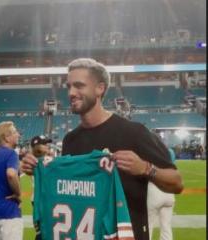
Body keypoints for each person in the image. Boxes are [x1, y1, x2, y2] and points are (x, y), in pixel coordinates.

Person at [21, 58, 183, 240]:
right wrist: (39, 168)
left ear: (100, 88)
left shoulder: (134, 132)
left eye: (79, 86)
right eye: (69, 87)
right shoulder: (71, 140)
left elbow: (177, 183)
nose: (71, 93)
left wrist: (146, 168)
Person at [147, 146, 177, 240]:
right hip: (169, 192)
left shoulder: (150, 150)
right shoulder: (170, 152)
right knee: (166, 226)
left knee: (148, 225)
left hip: (154, 190)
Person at [29, 135, 53, 240]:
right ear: (37, 146)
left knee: (41, 231)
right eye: (44, 144)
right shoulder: (42, 161)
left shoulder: (32, 160)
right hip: (43, 199)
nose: (47, 145)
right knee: (44, 232)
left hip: (36, 198)